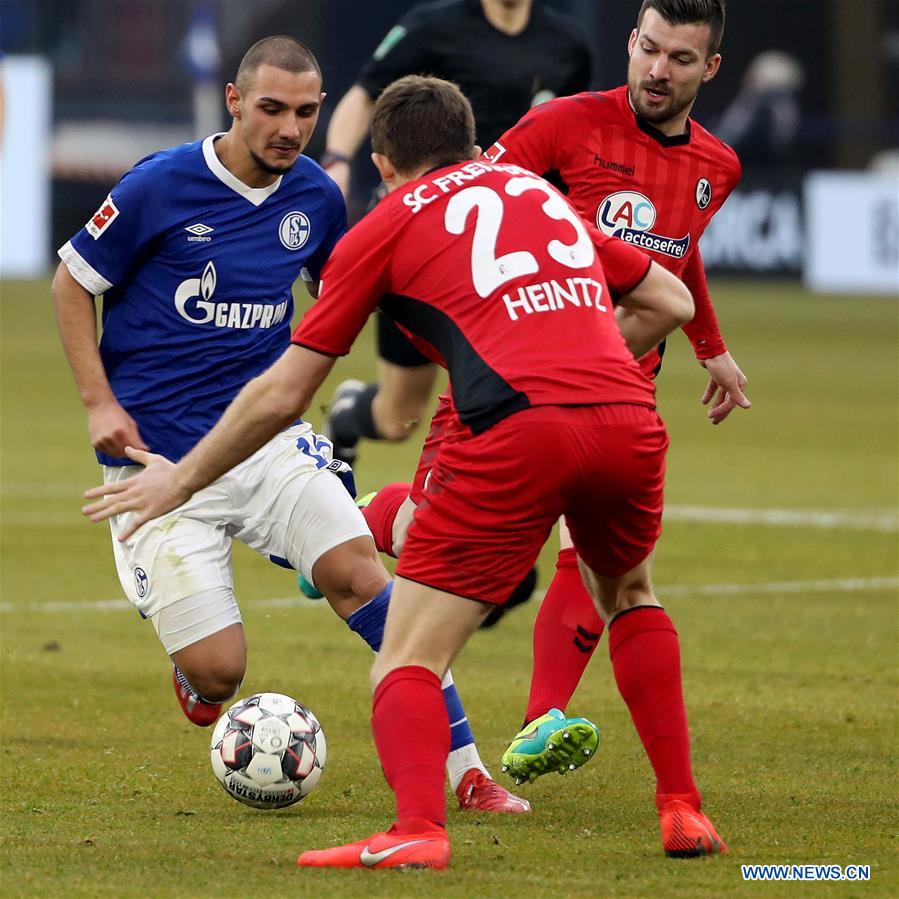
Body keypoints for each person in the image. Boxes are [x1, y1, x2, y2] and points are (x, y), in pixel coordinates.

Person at [81, 74, 727, 867]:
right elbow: (669, 301)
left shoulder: (385, 223)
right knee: (629, 595)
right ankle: (682, 810)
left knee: (407, 652)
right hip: (625, 415)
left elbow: (287, 393)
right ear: (472, 143)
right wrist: (576, 361)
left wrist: (180, 481)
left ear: (384, 165)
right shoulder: (540, 195)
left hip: (517, 432)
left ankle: (418, 826)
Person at [54, 37, 525, 815]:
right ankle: (200, 680)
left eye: (305, 112)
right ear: (234, 101)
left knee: (368, 584)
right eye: (271, 108)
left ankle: (467, 772)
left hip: (266, 443)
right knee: (219, 670)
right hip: (158, 463)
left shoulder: (314, 196)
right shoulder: (158, 186)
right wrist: (98, 402)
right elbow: (72, 282)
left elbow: (354, 290)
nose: (289, 128)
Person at [353, 0, 752, 782]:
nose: (656, 70)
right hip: (508, 377)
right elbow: (471, 193)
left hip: (616, 391)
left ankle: (542, 718)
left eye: (678, 58)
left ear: (709, 68)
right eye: (647, 48)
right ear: (630, 43)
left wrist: (711, 347)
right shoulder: (563, 125)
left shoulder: (718, 167)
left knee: (606, 566)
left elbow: (677, 256)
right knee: (432, 531)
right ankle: (357, 521)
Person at [320, 0, 591, 465]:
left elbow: (572, 133)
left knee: (512, 382)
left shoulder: (569, 44)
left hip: (515, 242)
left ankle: (478, 490)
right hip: (427, 237)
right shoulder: (432, 26)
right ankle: (348, 417)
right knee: (398, 417)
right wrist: (338, 161)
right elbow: (365, 93)